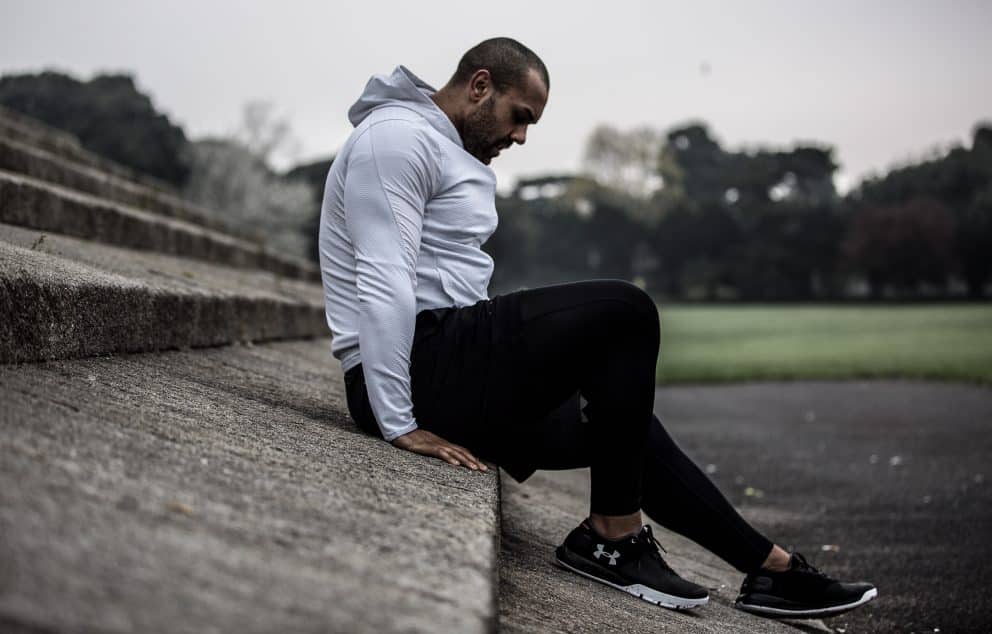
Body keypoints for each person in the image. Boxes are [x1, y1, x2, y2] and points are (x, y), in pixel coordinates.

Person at [319, 36, 877, 619]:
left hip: (448, 365)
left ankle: (772, 571)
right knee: (626, 312)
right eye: (520, 117)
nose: (520, 137)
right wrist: (399, 423)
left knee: (624, 424)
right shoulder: (397, 139)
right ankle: (613, 537)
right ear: (480, 86)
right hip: (420, 368)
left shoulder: (434, 143)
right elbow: (384, 281)